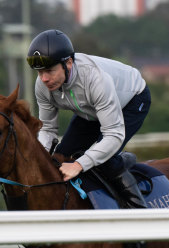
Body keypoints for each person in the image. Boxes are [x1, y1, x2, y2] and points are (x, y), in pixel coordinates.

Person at [26, 29, 151, 209]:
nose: (44, 79)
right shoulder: (43, 86)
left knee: (104, 160)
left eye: (49, 71)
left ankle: (138, 211)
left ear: (68, 63)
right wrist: (40, 157)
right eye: (39, 72)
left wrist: (79, 164)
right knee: (61, 157)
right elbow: (48, 130)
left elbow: (113, 135)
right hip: (90, 111)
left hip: (132, 101)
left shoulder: (96, 79)